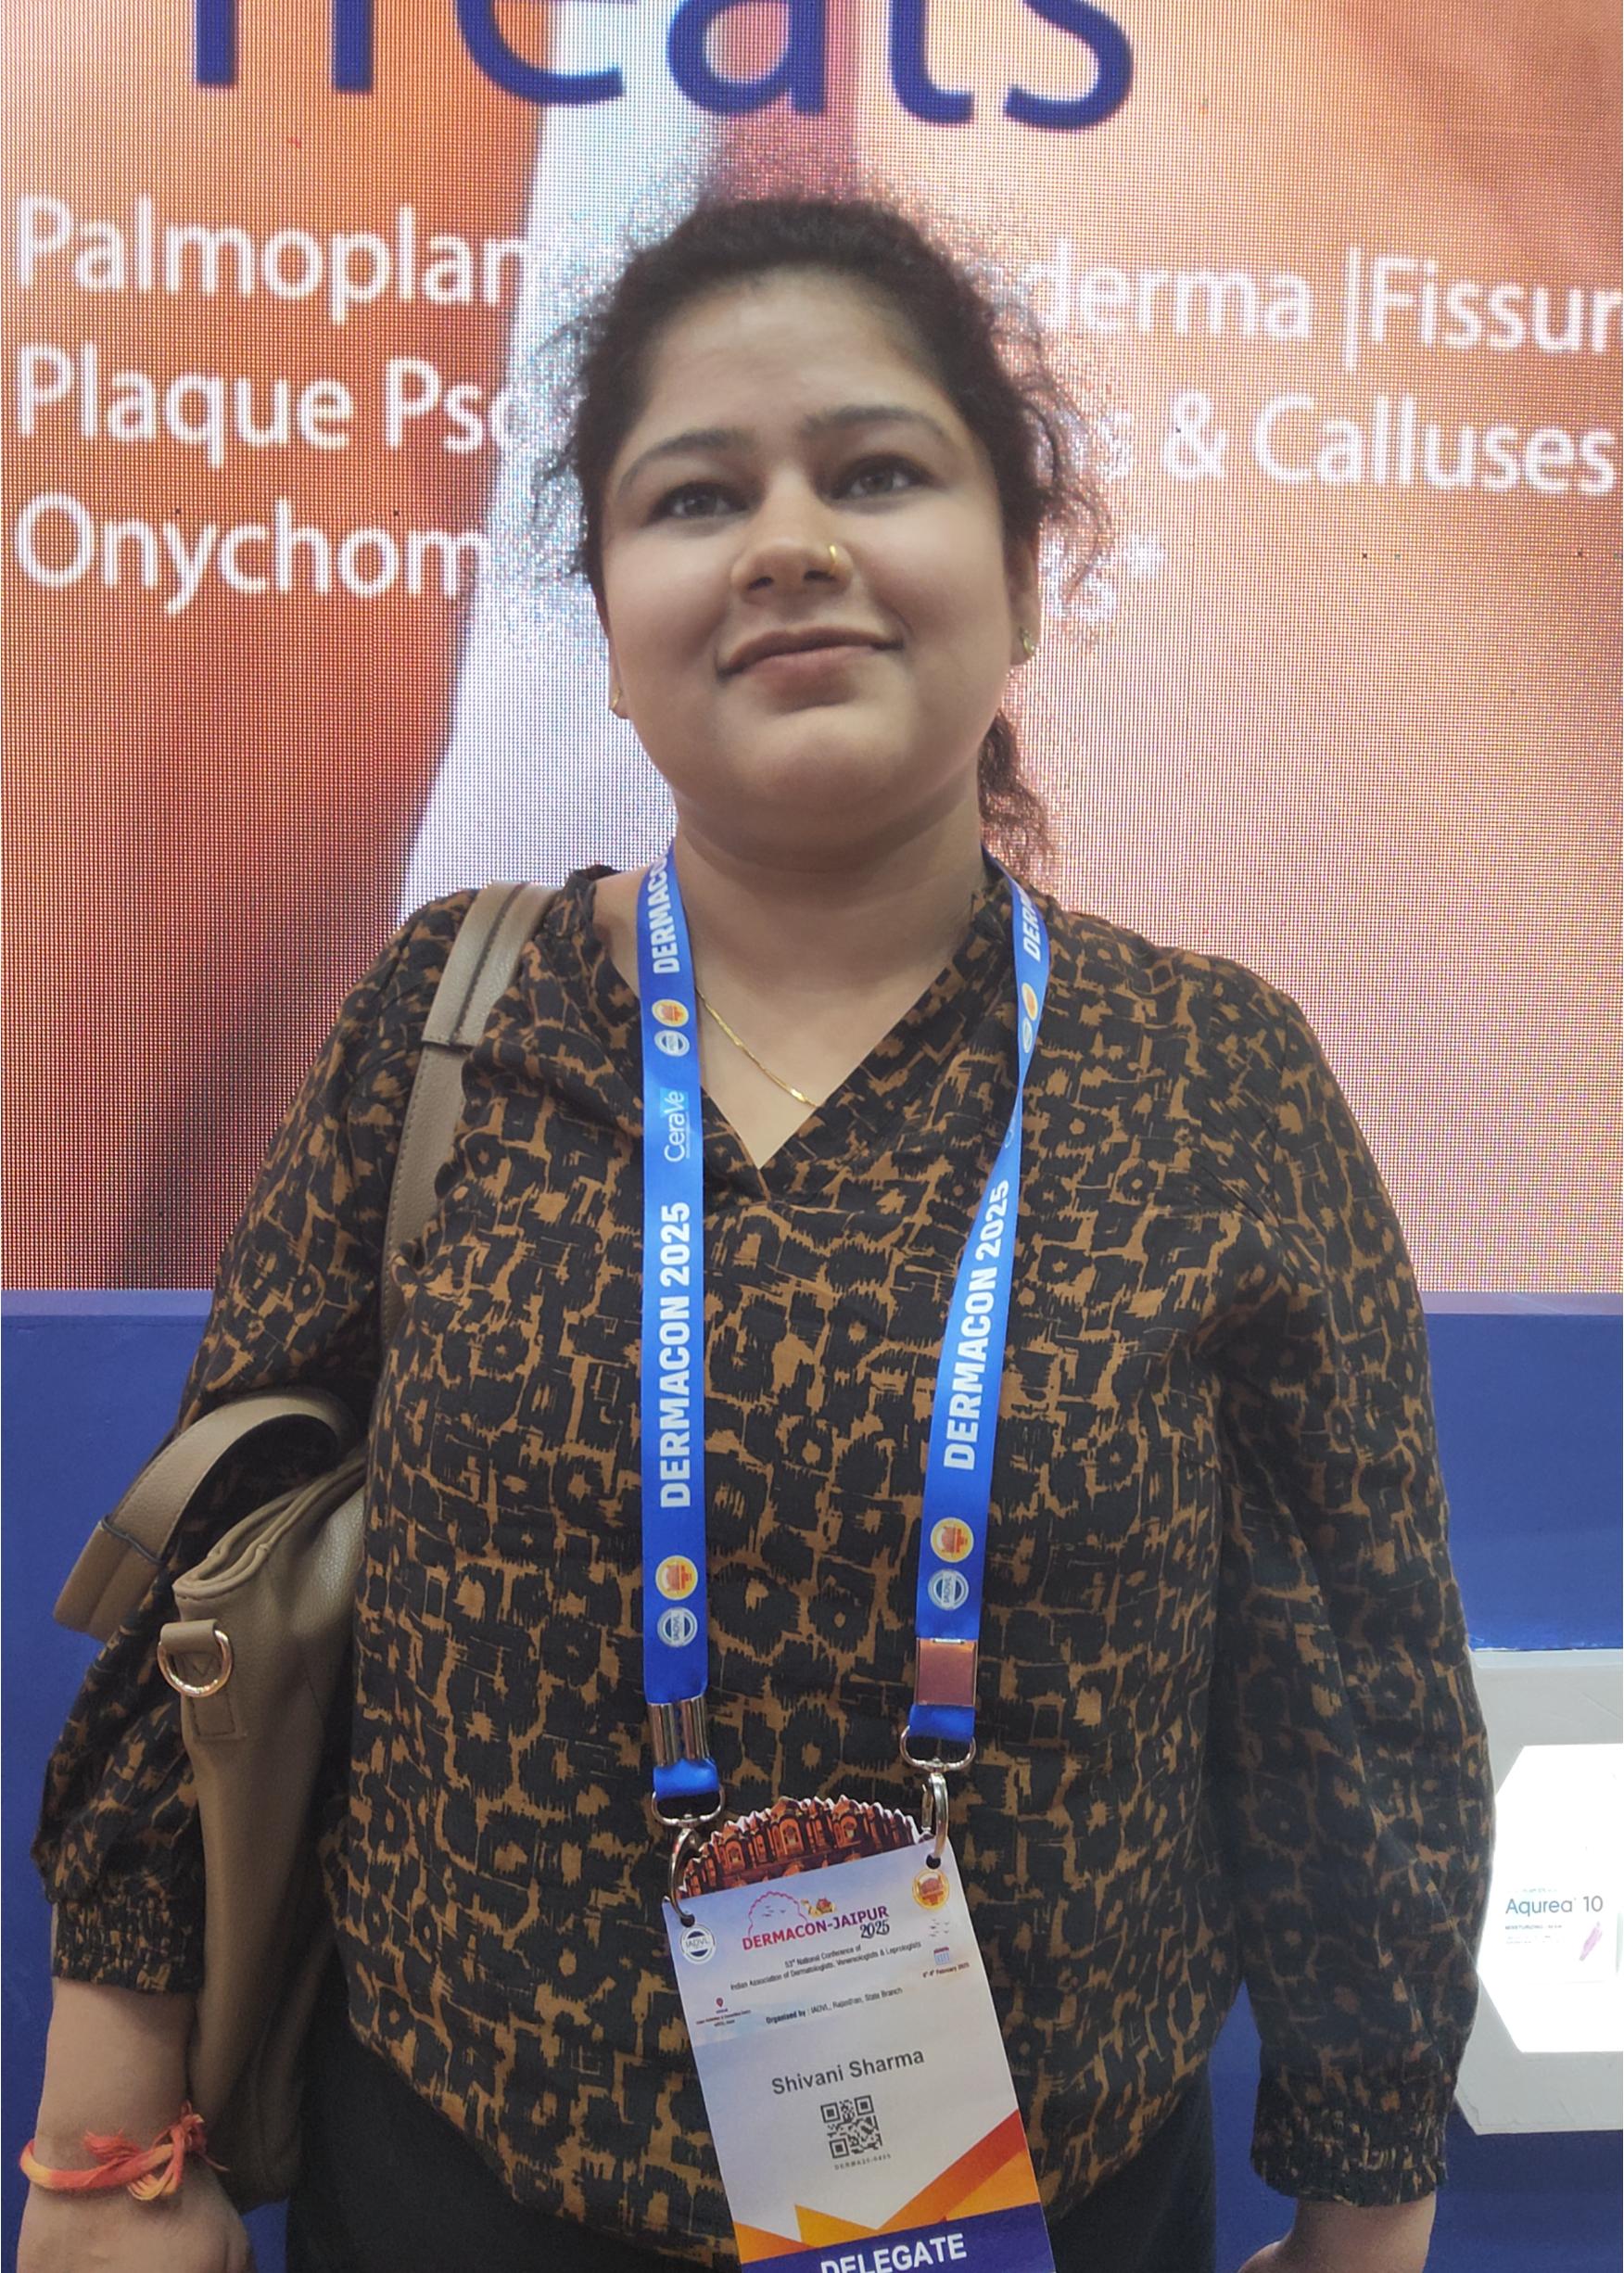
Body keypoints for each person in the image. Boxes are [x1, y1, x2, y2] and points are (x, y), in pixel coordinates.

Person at [23, 193, 1495, 2273]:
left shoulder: (1210, 1075)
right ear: (614, 625)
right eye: (697, 496)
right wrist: (102, 2153)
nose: (789, 542)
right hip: (463, 2180)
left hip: (1038, 2205)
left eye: (876, 472)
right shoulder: (449, 1020)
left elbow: (1356, 1691)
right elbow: (217, 1578)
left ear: (1024, 576)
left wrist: (1368, 2209)